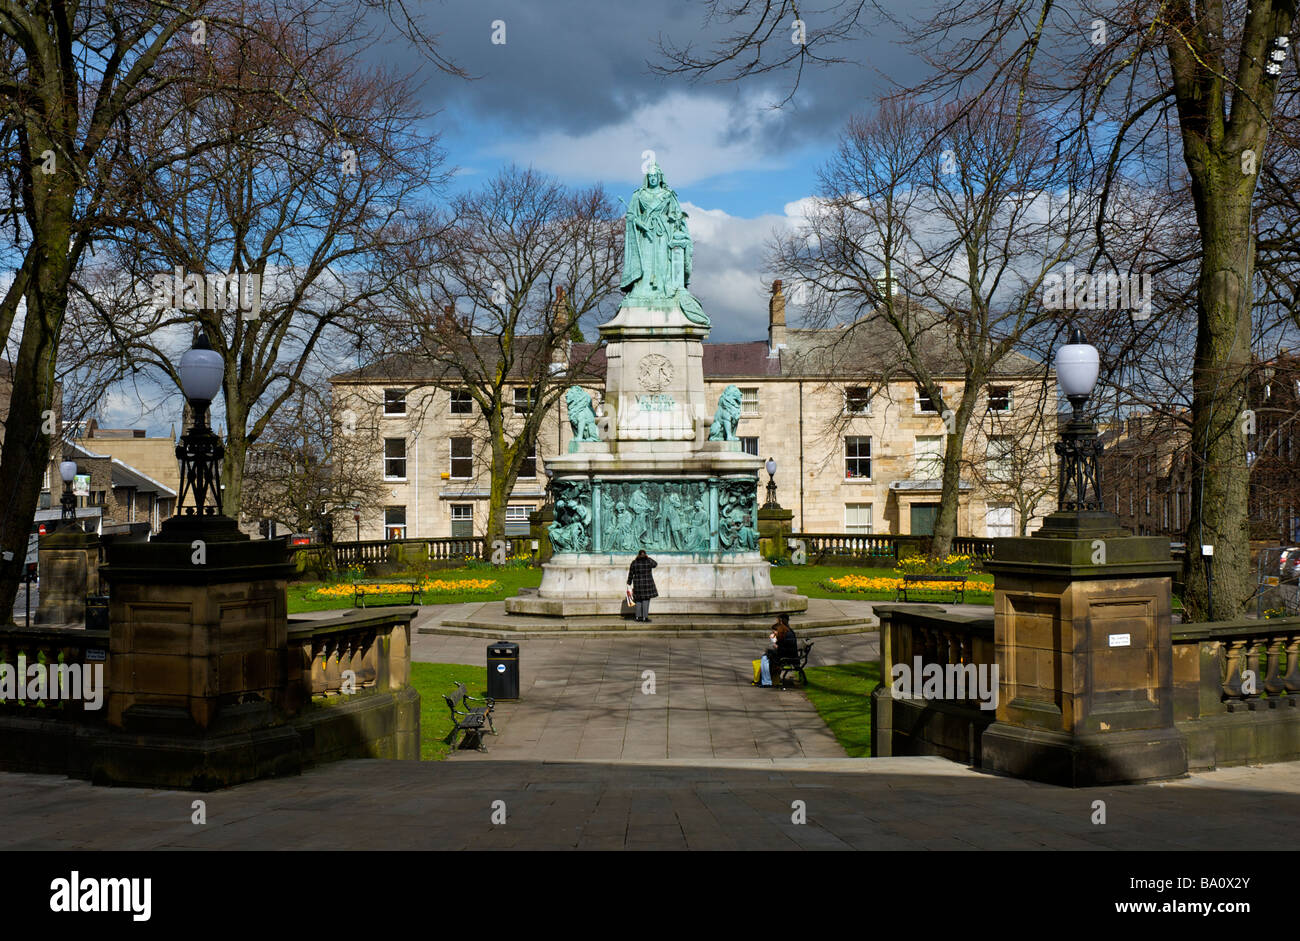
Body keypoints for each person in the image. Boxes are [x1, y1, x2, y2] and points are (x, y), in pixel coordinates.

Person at [755, 614, 797, 687]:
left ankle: (766, 682)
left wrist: (776, 646)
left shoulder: (788, 633)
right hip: (786, 654)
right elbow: (783, 645)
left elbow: (787, 649)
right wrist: (775, 641)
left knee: (765, 658)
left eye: (778, 621)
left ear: (781, 622)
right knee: (765, 656)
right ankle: (765, 681)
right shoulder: (787, 631)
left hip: (788, 657)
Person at [627, 549, 658, 622]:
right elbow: (655, 564)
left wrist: (629, 582)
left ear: (638, 554)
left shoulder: (634, 563)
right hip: (647, 584)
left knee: (638, 600)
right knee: (646, 600)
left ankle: (638, 617)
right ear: (645, 554)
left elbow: (630, 574)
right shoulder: (648, 561)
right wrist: (648, 557)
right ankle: (645, 617)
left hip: (638, 585)